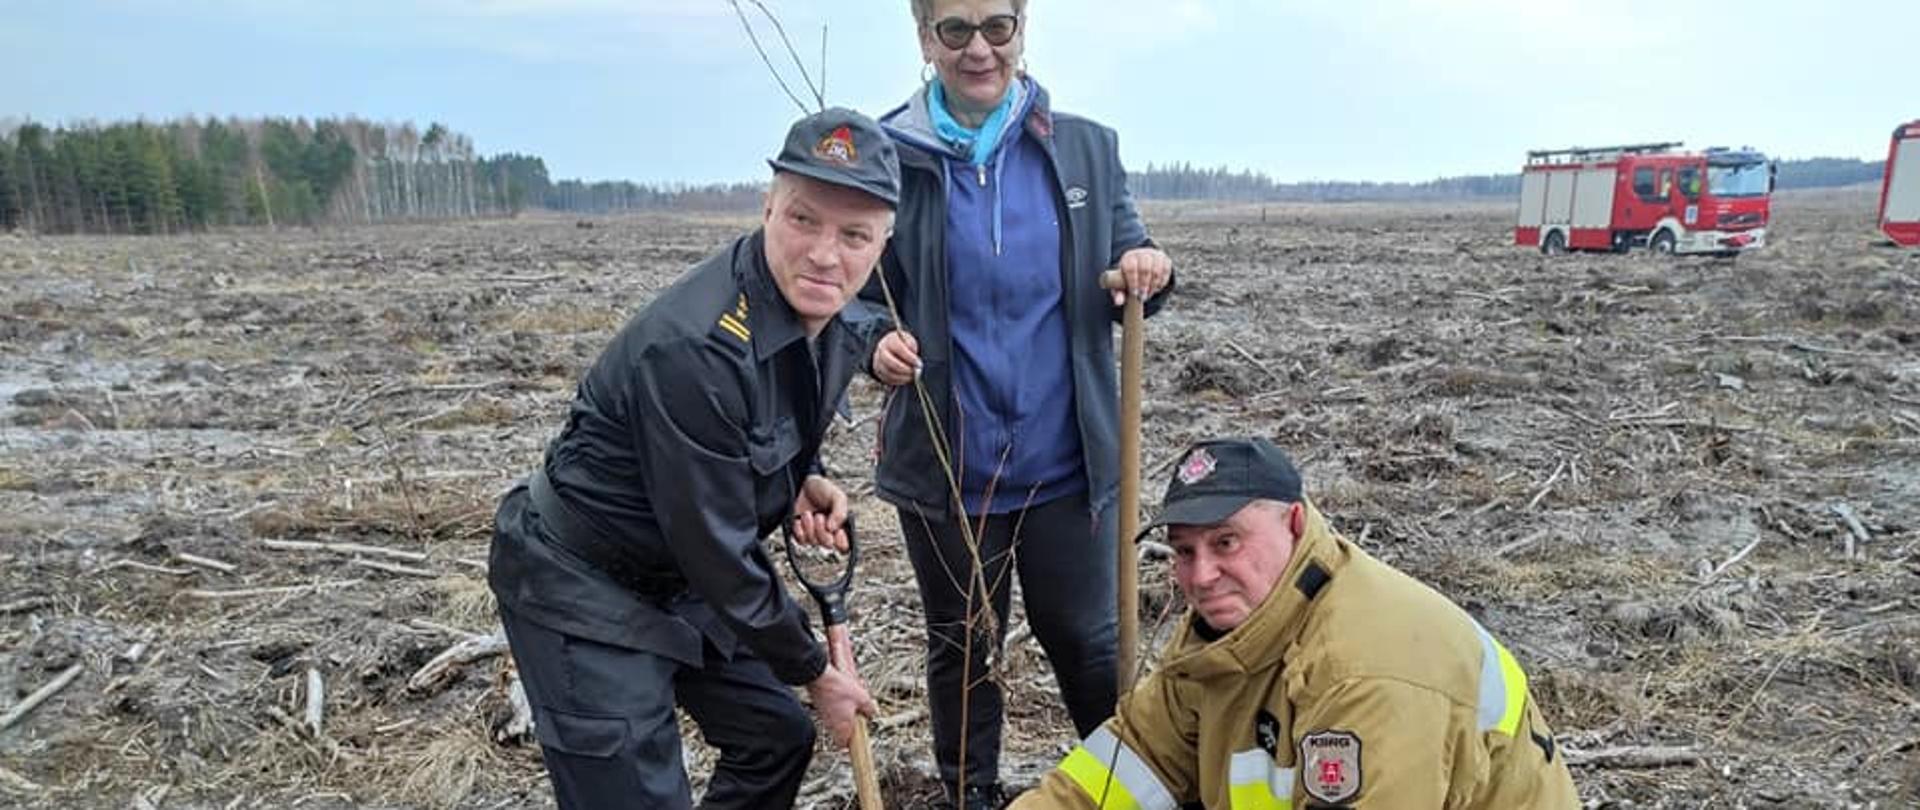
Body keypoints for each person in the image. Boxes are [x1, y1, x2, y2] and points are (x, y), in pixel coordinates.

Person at [486, 107, 900, 810]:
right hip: (581, 584)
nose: (826, 254)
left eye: (854, 235)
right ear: (768, 207)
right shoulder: (695, 346)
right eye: (803, 221)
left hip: (677, 576)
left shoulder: (838, 319)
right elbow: (716, 546)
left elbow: (762, 425)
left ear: (882, 244)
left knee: (774, 737)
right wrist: (815, 671)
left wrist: (798, 479)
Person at [858, 2, 1174, 807]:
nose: (978, 50)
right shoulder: (886, 155)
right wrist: (871, 342)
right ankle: (972, 795)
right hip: (946, 466)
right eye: (955, 30)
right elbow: (851, 286)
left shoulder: (1084, 150)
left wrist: (1142, 267)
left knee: (1088, 642)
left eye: (996, 26)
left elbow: (1127, 256)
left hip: (1064, 465)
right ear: (924, 38)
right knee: (963, 648)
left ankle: (1125, 788)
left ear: (1022, 29)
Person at [1012, 438, 1581, 809]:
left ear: (1294, 522)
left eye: (1226, 542)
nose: (1202, 575)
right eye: (1184, 552)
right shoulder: (1224, 638)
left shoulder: (1366, 670)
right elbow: (1121, 769)